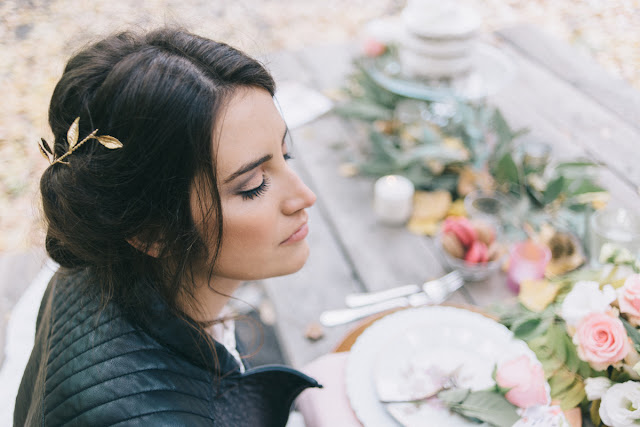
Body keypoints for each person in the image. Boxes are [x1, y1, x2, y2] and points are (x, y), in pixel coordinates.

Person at [14, 27, 320, 426]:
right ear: (150, 233)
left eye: (285, 154)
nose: (304, 196)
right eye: (252, 185)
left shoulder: (97, 262)